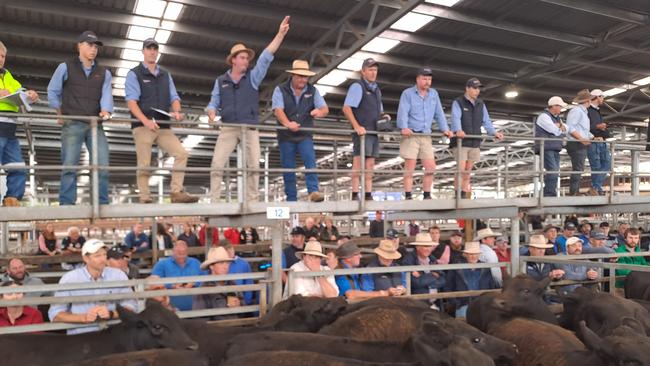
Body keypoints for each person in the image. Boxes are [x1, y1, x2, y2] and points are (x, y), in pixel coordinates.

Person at [207, 16, 290, 203]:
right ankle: (214, 199)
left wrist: (280, 35)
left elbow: (265, 58)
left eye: (247, 58)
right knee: (217, 163)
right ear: (233, 61)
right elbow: (214, 102)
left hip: (250, 126)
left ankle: (252, 199)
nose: (246, 61)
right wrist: (211, 112)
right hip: (228, 126)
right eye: (243, 58)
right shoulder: (221, 81)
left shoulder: (253, 78)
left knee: (254, 165)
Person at [125, 38, 197, 204]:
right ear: (143, 51)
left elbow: (174, 97)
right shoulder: (134, 74)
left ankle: (176, 192)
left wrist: (177, 111)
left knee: (181, 154)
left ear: (157, 52)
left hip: (163, 125)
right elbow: (131, 102)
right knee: (144, 162)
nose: (152, 52)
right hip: (143, 125)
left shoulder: (165, 75)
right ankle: (144, 197)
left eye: (155, 49)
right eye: (149, 48)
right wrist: (145, 121)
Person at [47, 31, 112, 205]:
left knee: (102, 164)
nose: (94, 49)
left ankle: (101, 203)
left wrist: (106, 110)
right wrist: (59, 113)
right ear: (79, 46)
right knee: (70, 165)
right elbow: (53, 91)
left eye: (96, 46)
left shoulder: (104, 72)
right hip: (72, 122)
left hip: (95, 124)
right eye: (90, 45)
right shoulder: (65, 67)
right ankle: (67, 203)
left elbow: (106, 95)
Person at [48, 239, 137, 334]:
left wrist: (111, 314)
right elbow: (55, 314)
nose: (103, 259)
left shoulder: (118, 275)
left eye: (104, 254)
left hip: (114, 335)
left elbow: (131, 305)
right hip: (82, 336)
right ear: (86, 258)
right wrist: (83, 317)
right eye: (97, 256)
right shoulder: (70, 279)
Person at [272, 59, 328, 202]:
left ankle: (313, 191)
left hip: (305, 134)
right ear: (293, 76)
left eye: (306, 77)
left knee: (310, 160)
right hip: (286, 135)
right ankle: (291, 197)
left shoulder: (312, 90)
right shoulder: (280, 89)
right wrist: (287, 123)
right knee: (288, 166)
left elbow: (324, 109)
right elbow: (278, 110)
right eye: (300, 76)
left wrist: (319, 112)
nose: (303, 80)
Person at [397, 67, 452, 200]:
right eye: (424, 78)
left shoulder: (434, 94)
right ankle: (408, 195)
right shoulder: (408, 93)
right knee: (410, 166)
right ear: (417, 79)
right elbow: (403, 111)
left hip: (426, 135)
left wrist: (445, 128)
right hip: (411, 134)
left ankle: (427, 194)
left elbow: (439, 113)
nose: (427, 81)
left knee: (431, 166)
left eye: (429, 79)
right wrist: (403, 127)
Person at [343, 58, 390, 201]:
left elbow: (379, 110)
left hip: (373, 131)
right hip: (362, 133)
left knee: (370, 164)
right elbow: (346, 108)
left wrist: (383, 116)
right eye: (370, 69)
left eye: (375, 70)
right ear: (363, 72)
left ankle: (368, 194)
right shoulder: (357, 87)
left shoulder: (377, 90)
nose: (373, 72)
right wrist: (357, 126)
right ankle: (355, 194)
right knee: (358, 162)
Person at [449, 77, 504, 198]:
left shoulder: (481, 104)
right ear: (467, 88)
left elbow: (486, 121)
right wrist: (458, 130)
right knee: (461, 169)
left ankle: (463, 193)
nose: (477, 91)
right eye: (474, 88)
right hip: (461, 142)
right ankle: (457, 194)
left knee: (468, 171)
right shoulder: (458, 102)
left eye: (478, 88)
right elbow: (455, 118)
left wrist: (494, 132)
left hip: (474, 141)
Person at [0, 41, 38, 207]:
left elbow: (19, 91)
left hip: (9, 129)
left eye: (3, 56)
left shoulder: (8, 76)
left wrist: (30, 95)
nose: (1, 59)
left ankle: (12, 198)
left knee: (18, 166)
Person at [444, 242, 498, 318]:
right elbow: (448, 287)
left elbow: (491, 287)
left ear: (479, 255)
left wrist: (487, 302)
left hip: (481, 305)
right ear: (465, 254)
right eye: (470, 254)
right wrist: (456, 303)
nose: (473, 256)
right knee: (464, 327)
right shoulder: (456, 267)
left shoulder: (486, 268)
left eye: (476, 254)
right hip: (463, 305)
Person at [151, 240, 202, 311]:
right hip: (169, 312)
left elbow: (206, 279)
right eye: (179, 252)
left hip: (197, 309)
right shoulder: (161, 265)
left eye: (184, 252)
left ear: (187, 252)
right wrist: (171, 285)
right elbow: (153, 283)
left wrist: (194, 284)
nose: (181, 255)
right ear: (173, 251)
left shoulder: (196, 263)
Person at [193, 247, 241, 320]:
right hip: (216, 329)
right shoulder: (204, 290)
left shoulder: (232, 284)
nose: (225, 267)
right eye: (221, 263)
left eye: (227, 263)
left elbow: (245, 311)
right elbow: (201, 320)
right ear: (211, 266)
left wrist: (239, 305)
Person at [534, 96, 567, 197]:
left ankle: (549, 193)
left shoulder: (556, 118)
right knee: (553, 171)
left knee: (555, 172)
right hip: (547, 147)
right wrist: (559, 127)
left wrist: (559, 127)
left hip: (554, 147)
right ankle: (548, 194)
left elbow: (563, 130)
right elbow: (555, 131)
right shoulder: (544, 116)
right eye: (560, 107)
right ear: (554, 106)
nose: (561, 109)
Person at [566, 89, 593, 196]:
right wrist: (582, 139)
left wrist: (592, 137)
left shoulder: (582, 112)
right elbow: (570, 127)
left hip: (579, 142)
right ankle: (574, 192)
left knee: (579, 167)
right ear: (588, 101)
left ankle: (575, 191)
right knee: (578, 168)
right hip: (576, 142)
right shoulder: (577, 111)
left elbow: (582, 129)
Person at [586, 89, 610, 196]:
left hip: (601, 140)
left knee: (606, 164)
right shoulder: (587, 111)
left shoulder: (597, 111)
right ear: (597, 97)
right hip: (593, 140)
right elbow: (584, 127)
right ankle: (596, 188)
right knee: (596, 166)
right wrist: (597, 126)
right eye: (602, 97)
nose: (603, 99)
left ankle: (595, 187)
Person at [219, 241, 254, 305]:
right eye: (226, 249)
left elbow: (248, 283)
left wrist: (245, 303)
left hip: (240, 300)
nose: (229, 251)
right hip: (221, 301)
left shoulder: (243, 263)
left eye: (230, 248)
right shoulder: (218, 264)